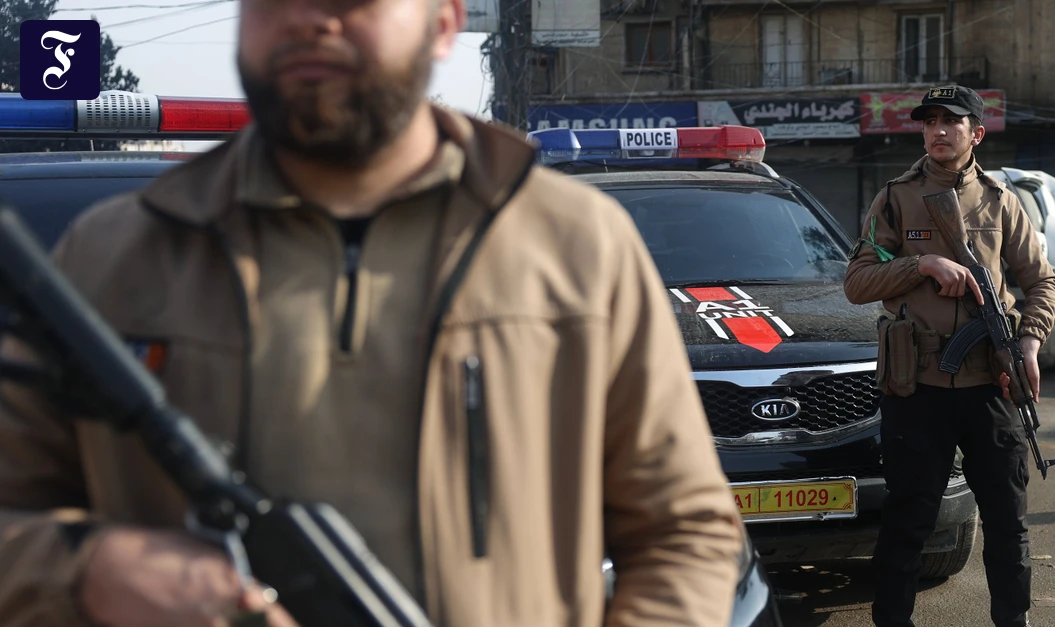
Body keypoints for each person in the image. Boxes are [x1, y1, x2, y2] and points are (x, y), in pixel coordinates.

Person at [0, 0, 746, 624]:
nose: (307, 19)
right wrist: (88, 571)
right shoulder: (111, 256)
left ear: (443, 23)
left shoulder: (577, 245)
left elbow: (686, 533)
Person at [843, 85, 1055, 627]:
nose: (938, 130)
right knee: (908, 521)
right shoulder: (895, 198)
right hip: (917, 388)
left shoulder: (1001, 201)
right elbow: (857, 282)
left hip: (991, 383)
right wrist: (922, 266)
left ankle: (1012, 619)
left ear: (976, 133)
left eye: (951, 121)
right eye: (929, 121)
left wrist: (1030, 341)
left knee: (1008, 521)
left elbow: (1041, 281)